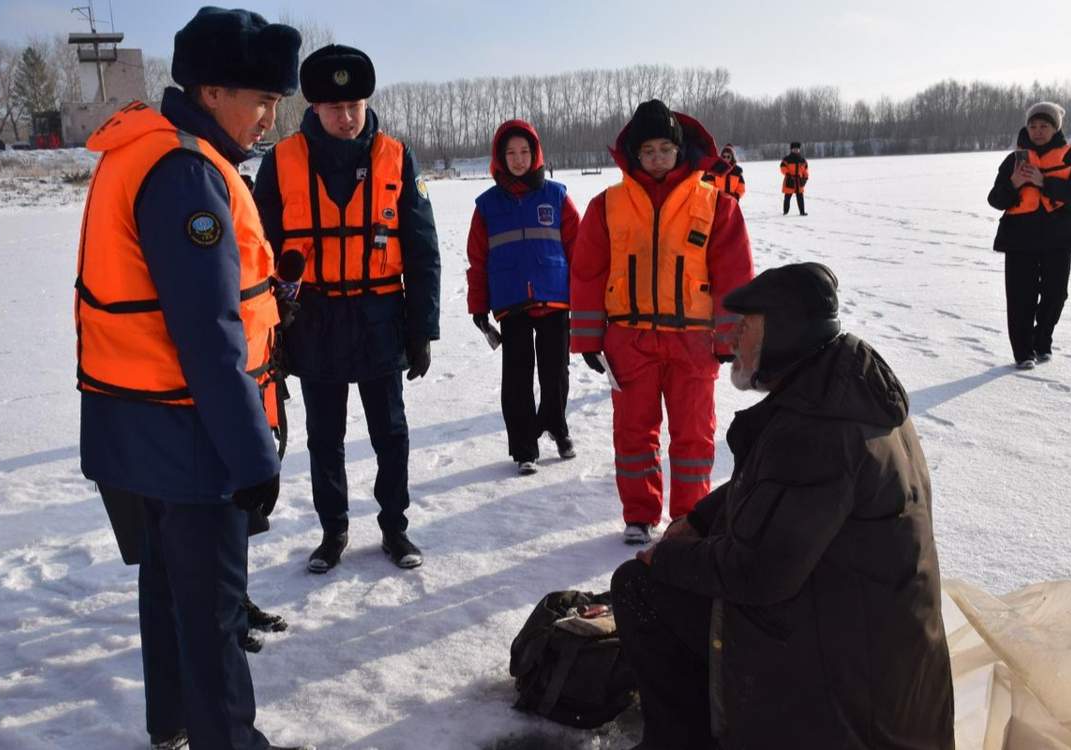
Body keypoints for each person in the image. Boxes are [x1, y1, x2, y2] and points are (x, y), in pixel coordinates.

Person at [75, 8, 309, 750]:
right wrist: (252, 457)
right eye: (262, 99)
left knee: (169, 585)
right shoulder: (185, 173)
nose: (271, 117)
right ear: (211, 92)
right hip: (192, 431)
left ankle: (172, 722)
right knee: (212, 608)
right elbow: (207, 336)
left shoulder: (142, 149)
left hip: (137, 424)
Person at [610, 262, 955, 750]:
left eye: (747, 326)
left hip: (852, 688)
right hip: (867, 636)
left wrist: (667, 558)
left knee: (640, 587)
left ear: (783, 334)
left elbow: (760, 573)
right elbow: (775, 488)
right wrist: (702, 518)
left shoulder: (819, 432)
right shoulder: (842, 388)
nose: (733, 339)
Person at [254, 44, 440, 574]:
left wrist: (422, 328)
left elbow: (423, 250)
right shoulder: (282, 161)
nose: (346, 116)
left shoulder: (396, 158)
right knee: (324, 438)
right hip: (312, 322)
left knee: (391, 435)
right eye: (334, 107)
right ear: (313, 108)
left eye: (354, 104)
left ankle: (395, 529)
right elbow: (258, 251)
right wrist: (272, 334)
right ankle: (333, 530)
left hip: (381, 319)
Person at [569, 99, 754, 544]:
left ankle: (690, 519)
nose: (656, 158)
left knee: (694, 436)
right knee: (634, 433)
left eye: (664, 149)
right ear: (633, 154)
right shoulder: (606, 205)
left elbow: (734, 275)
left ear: (680, 150)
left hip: (694, 341)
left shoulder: (717, 205)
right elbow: (587, 272)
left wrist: (729, 337)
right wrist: (588, 338)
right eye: (647, 150)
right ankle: (639, 514)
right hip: (628, 340)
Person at [466, 120, 580, 475]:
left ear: (536, 155)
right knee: (516, 377)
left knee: (555, 372)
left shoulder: (557, 196)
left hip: (554, 299)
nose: (518, 159)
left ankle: (557, 427)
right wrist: (478, 307)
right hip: (510, 302)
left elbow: (580, 251)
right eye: (510, 153)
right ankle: (524, 447)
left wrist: (585, 300)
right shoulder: (486, 206)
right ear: (500, 158)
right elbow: (477, 259)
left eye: (524, 152)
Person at [987, 101, 1071, 369]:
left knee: (1056, 294)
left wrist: (1043, 182)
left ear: (1056, 128)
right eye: (1032, 125)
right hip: (1019, 238)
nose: (1037, 131)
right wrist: (1015, 183)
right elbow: (996, 199)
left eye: (1044, 126)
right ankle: (1023, 352)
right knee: (1021, 297)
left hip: (1060, 237)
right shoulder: (1014, 160)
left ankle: (1041, 341)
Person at [780, 140, 808, 215]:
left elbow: (805, 170)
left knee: (800, 198)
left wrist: (805, 178)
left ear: (799, 150)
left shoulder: (802, 160)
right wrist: (788, 174)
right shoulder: (787, 159)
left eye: (797, 149)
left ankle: (802, 212)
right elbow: (782, 168)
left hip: (799, 181)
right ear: (791, 150)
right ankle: (785, 212)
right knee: (787, 197)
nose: (796, 150)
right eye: (794, 149)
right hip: (790, 180)